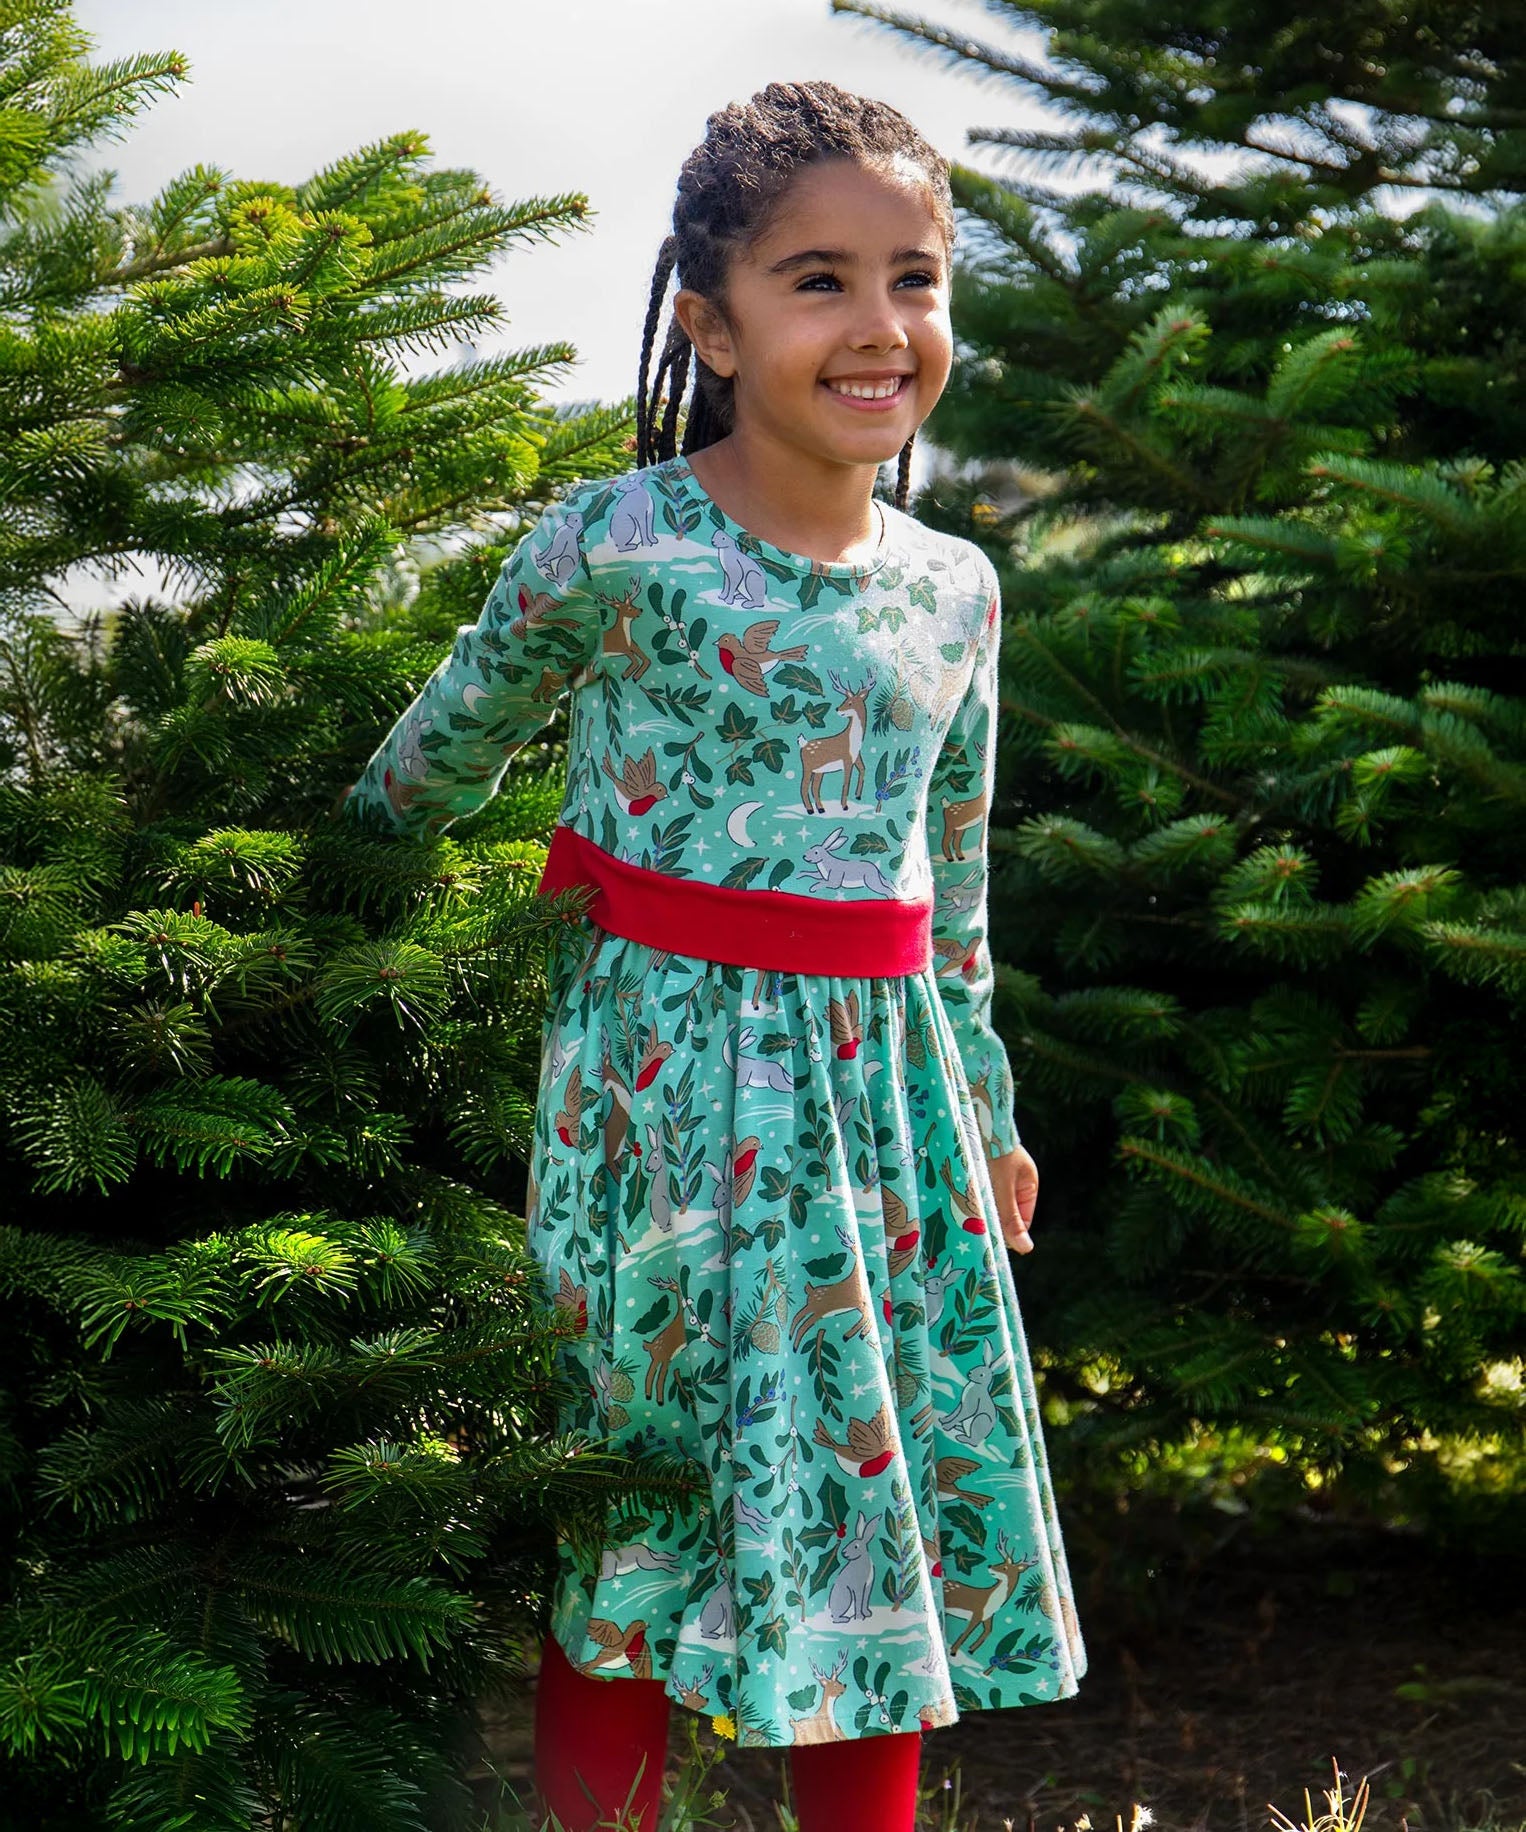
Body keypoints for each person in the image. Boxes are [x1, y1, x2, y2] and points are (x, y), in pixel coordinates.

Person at [343, 78, 1086, 1832]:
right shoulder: (618, 547)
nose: (877, 326)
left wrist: (980, 1101)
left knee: (860, 1505)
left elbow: (950, 883)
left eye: (914, 277)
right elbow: (415, 777)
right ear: (710, 317)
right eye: (817, 279)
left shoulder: (955, 590)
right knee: (637, 1502)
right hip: (655, 1109)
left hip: (883, 1124)